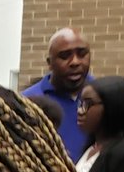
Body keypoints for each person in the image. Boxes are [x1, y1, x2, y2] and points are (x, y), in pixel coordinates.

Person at [22, 27, 93, 161]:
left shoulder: (103, 96)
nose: (75, 62)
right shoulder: (28, 101)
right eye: (65, 56)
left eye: (82, 54)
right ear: (50, 63)